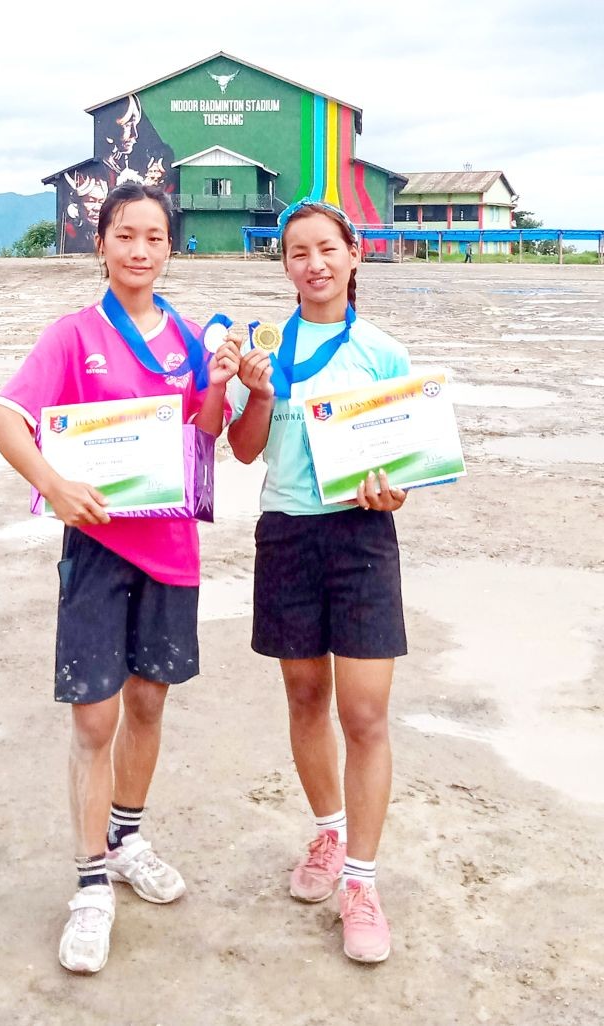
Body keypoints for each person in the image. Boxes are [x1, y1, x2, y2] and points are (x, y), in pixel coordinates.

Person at [0, 182, 241, 975]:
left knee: (148, 704)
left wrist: (220, 382)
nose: (139, 250)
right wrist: (54, 485)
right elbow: (3, 417)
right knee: (94, 720)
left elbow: (205, 433)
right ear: (100, 243)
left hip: (171, 552)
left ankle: (127, 839)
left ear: (171, 248)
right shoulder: (73, 335)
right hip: (98, 553)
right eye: (125, 234)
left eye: (154, 237)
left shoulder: (192, 337)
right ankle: (91, 884)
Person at [227, 199, 410, 964]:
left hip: (362, 539)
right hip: (287, 534)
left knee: (364, 713)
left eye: (327, 248)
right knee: (306, 697)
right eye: (297, 252)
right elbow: (243, 451)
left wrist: (395, 491)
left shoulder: (382, 353)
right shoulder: (266, 351)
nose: (314, 264)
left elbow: (406, 463)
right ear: (284, 266)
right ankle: (329, 834)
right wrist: (260, 394)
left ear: (354, 253)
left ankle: (361, 884)